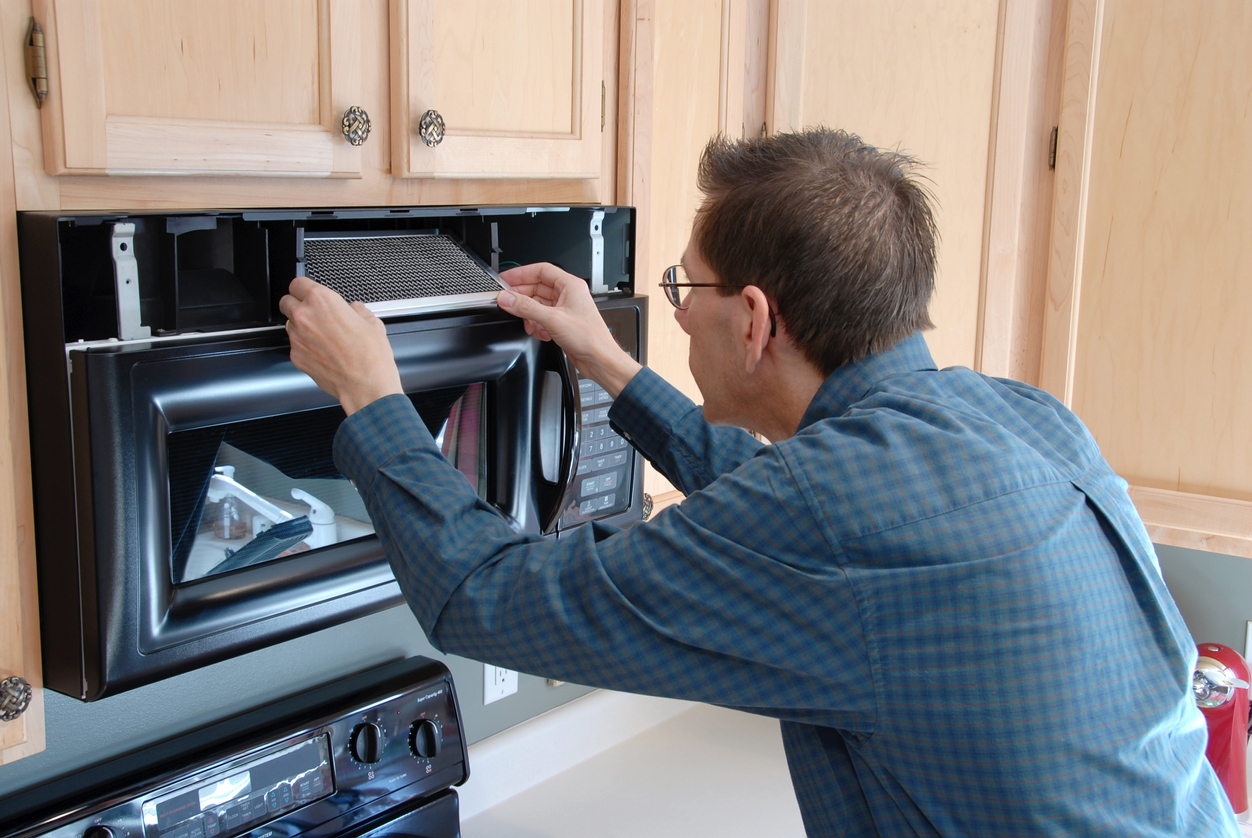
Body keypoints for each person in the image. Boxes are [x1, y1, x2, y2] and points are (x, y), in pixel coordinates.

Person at [280, 128, 1234, 837]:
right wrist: (612, 364)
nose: (678, 313)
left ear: (754, 319)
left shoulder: (830, 511)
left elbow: (487, 599)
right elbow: (801, 514)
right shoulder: (1015, 416)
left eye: (683, 288)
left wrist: (372, 398)